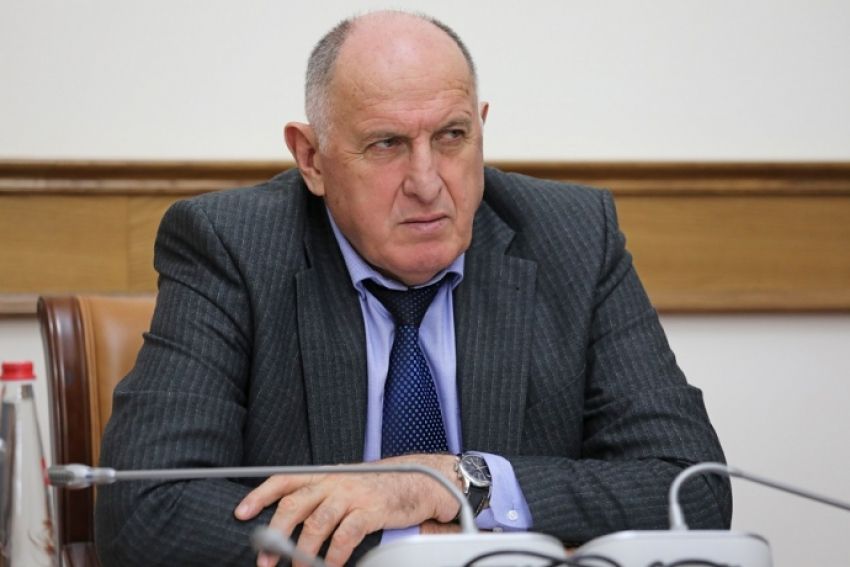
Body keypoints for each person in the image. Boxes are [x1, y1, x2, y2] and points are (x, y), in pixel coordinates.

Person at [96, 10, 731, 567]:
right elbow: (146, 513)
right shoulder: (232, 247)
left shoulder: (573, 238)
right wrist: (415, 543)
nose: (427, 182)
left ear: (481, 127)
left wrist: (454, 482)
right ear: (311, 159)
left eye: (452, 136)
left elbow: (691, 489)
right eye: (386, 144)